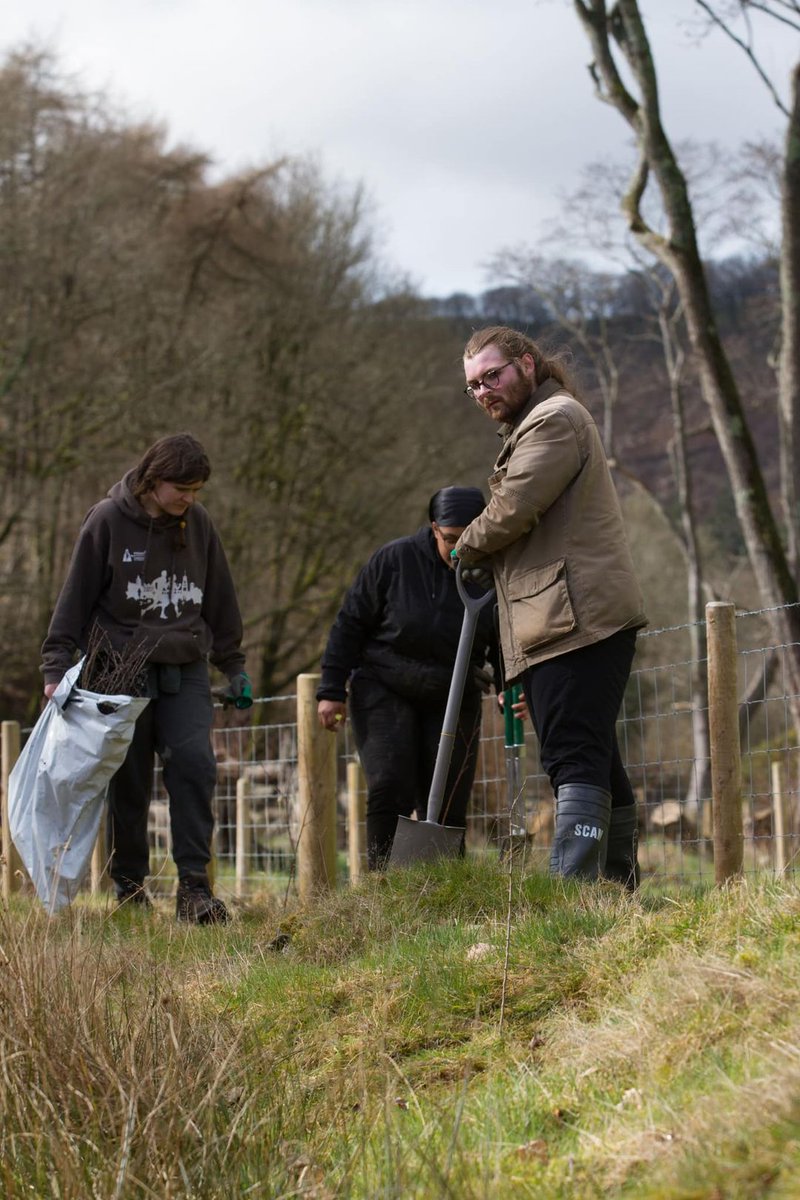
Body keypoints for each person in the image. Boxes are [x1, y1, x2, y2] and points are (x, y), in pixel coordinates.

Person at [452, 327, 647, 888]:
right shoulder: (534, 425)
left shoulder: (554, 419)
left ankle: (575, 892)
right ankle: (614, 887)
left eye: (493, 375)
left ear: (528, 365)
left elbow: (514, 506)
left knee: (572, 756)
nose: (485, 390)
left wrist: (466, 544)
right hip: (560, 617)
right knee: (594, 751)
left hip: (576, 619)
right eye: (474, 385)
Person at [41, 432, 251, 923]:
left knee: (195, 767)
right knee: (129, 782)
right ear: (154, 482)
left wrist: (234, 664)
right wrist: (55, 667)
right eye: (183, 489)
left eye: (197, 491)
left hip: (186, 668)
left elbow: (221, 598)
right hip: (119, 671)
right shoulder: (107, 521)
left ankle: (194, 890)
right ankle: (130, 890)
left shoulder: (197, 524)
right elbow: (73, 600)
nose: (190, 499)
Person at [316, 487, 519, 870]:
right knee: (391, 781)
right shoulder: (394, 561)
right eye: (450, 540)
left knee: (448, 797)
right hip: (384, 684)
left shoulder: (495, 571)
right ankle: (381, 884)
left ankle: (440, 888)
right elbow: (350, 624)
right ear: (433, 529)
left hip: (454, 691)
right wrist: (331, 689)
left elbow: (505, 636)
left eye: (468, 537)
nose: (458, 550)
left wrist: (509, 687)